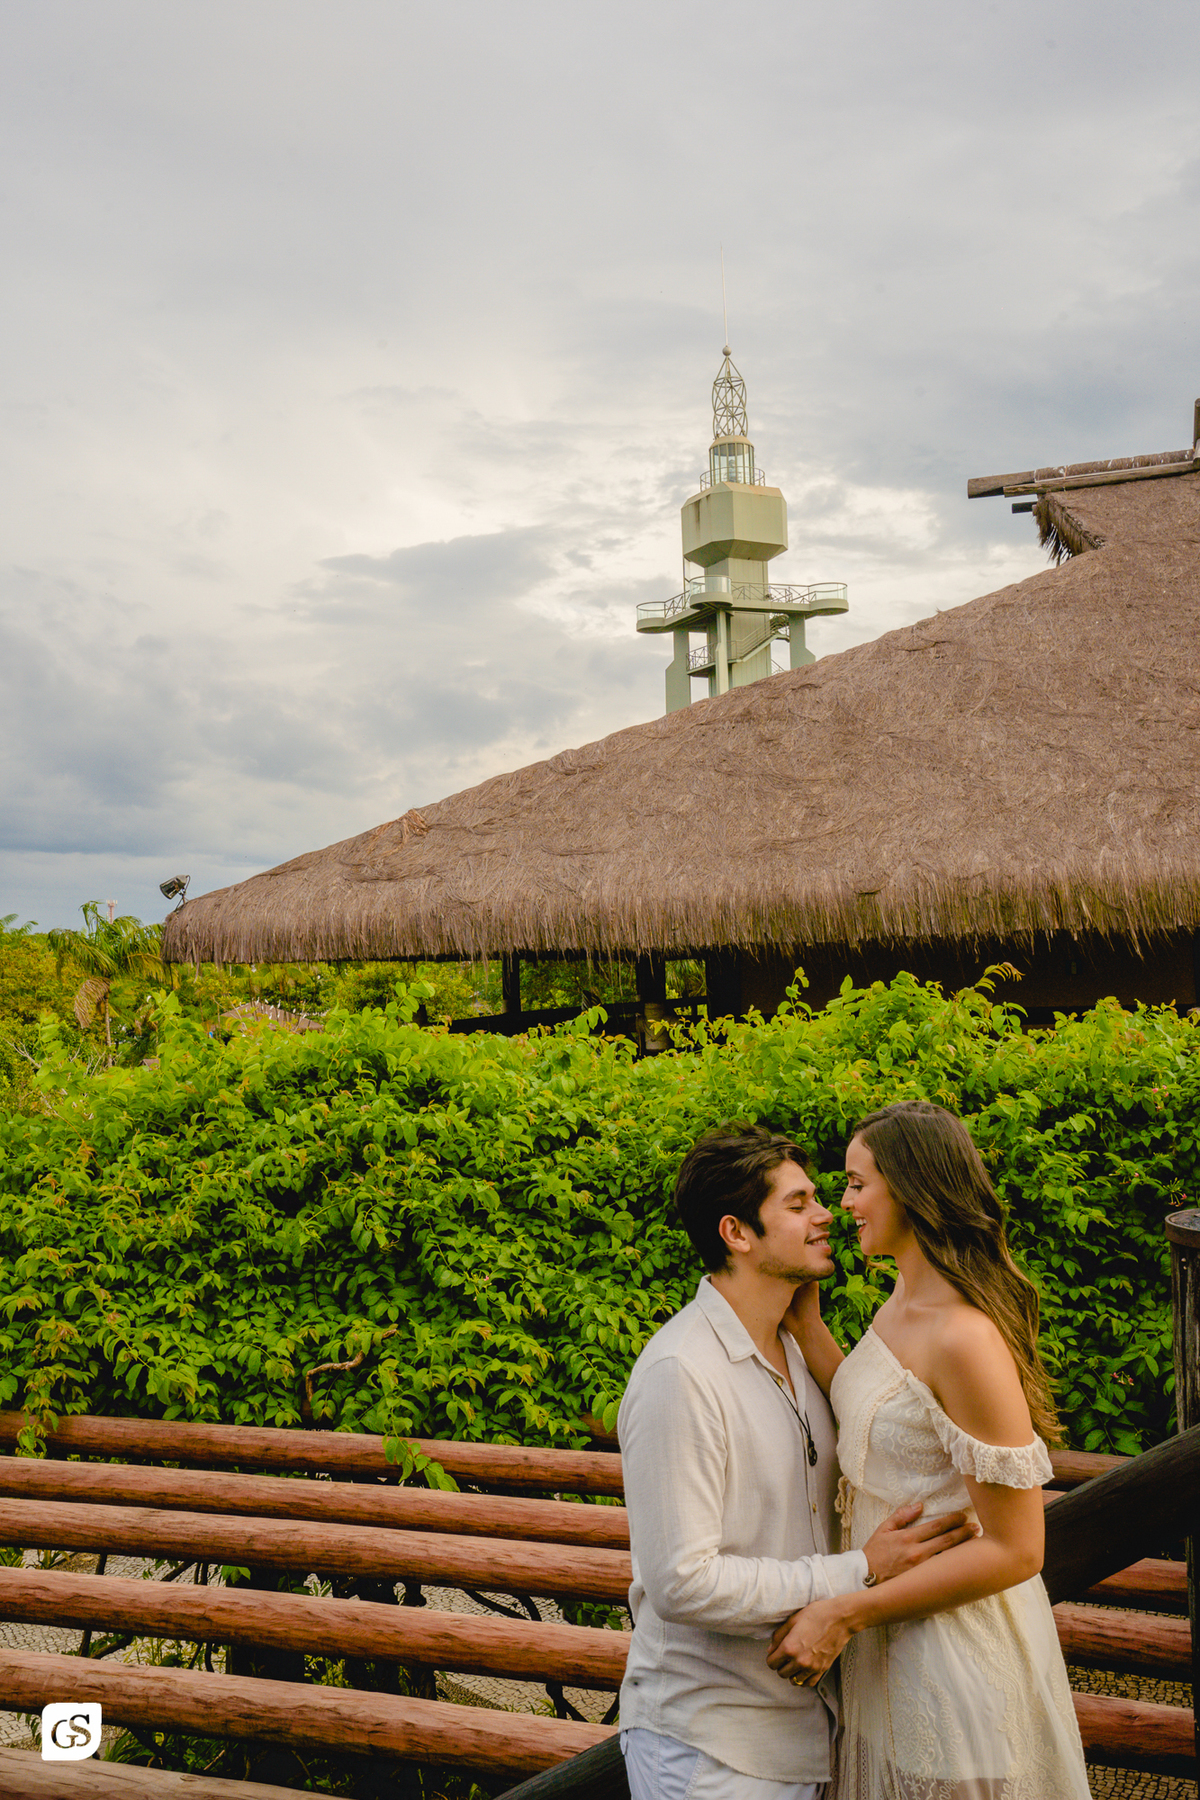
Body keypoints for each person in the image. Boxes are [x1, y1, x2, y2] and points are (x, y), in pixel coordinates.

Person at [618, 1123, 977, 1800]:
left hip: (808, 1736)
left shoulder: (794, 1351)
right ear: (737, 1234)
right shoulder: (680, 1373)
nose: (826, 1215)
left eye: (820, 1196)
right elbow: (681, 1582)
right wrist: (862, 1571)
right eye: (798, 1203)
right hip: (711, 1749)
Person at [768, 1101, 1090, 1798]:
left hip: (955, 1669)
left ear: (910, 1188)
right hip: (891, 1656)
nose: (842, 1204)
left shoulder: (963, 1337)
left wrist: (844, 1609)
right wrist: (804, 1321)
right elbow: (874, 1415)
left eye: (857, 1184)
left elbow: (1018, 1549)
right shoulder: (901, 1301)